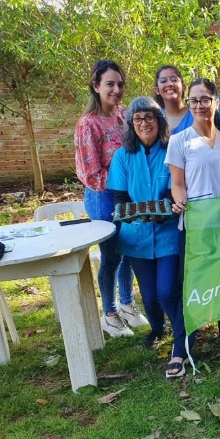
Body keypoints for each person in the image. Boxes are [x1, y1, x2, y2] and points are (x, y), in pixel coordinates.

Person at [106, 97, 189, 377]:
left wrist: (163, 211)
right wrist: (137, 214)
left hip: (167, 233)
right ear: (131, 123)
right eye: (138, 118)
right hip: (136, 237)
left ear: (159, 120)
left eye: (150, 117)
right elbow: (119, 197)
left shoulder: (172, 150)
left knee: (168, 291)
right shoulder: (122, 156)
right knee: (150, 295)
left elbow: (175, 189)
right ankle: (157, 327)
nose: (144, 123)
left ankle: (183, 340)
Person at [165, 78, 220, 358]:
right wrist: (179, 199)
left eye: (205, 99)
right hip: (195, 223)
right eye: (194, 100)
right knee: (193, 281)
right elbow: (177, 183)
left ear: (216, 102)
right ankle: (184, 340)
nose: (199, 106)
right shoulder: (179, 140)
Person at [74, 60, 148, 339]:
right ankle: (109, 312)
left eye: (120, 84)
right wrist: (124, 182)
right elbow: (90, 174)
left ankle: (127, 303)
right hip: (104, 198)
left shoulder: (124, 114)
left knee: (127, 249)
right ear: (96, 86)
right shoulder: (88, 124)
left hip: (127, 195)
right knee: (111, 257)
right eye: (109, 84)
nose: (116, 89)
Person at [154, 65, 193, 134]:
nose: (169, 84)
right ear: (157, 90)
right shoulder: (154, 119)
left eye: (174, 80)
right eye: (163, 81)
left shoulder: (196, 115)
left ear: (184, 87)